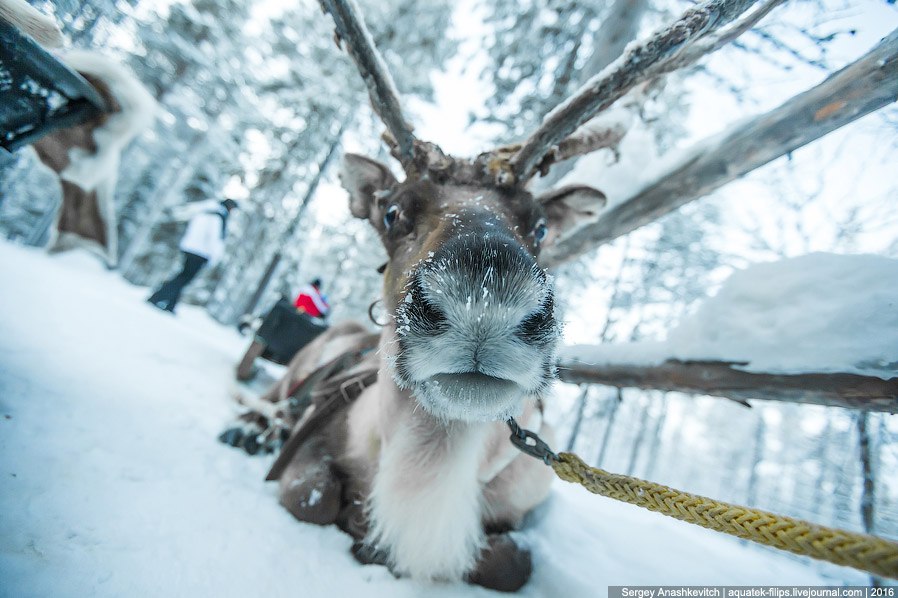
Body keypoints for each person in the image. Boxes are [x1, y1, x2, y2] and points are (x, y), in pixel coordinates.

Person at [147, 198, 238, 313]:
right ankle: (157, 297)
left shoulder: (205, 210)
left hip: (189, 247)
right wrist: (214, 256)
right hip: (201, 252)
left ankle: (171, 305)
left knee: (183, 276)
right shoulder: (218, 216)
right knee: (184, 278)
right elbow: (214, 238)